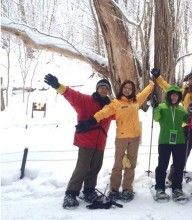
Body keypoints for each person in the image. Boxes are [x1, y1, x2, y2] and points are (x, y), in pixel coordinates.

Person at [76, 80, 154, 202]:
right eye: (125, 88)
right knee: (118, 164)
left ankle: (128, 189)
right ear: (121, 89)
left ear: (132, 90)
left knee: (131, 164)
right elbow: (104, 112)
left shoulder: (136, 101)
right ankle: (114, 189)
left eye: (130, 88)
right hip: (121, 138)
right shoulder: (116, 103)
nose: (127, 90)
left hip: (135, 137)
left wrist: (151, 84)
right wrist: (92, 120)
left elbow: (144, 93)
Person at [44, 74, 114, 209]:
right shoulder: (85, 100)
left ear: (109, 91)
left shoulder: (111, 107)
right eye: (101, 87)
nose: (104, 90)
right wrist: (58, 86)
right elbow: (71, 94)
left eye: (106, 88)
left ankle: (89, 191)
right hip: (86, 141)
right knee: (82, 167)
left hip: (100, 143)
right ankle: (71, 193)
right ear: (97, 89)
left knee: (95, 168)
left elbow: (124, 112)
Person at [152, 85, 190, 202]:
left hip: (179, 141)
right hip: (164, 140)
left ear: (179, 97)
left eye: (176, 95)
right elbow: (156, 118)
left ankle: (177, 188)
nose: (174, 97)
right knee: (162, 165)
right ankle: (160, 188)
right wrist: (156, 107)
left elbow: (188, 120)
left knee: (179, 166)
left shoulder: (181, 109)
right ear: (168, 96)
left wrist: (191, 113)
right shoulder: (162, 107)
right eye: (172, 94)